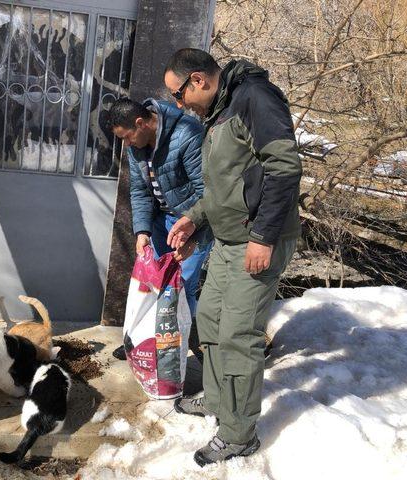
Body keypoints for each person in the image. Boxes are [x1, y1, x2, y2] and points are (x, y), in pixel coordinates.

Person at [163, 49, 301, 466]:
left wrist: (263, 236)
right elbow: (226, 187)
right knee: (211, 323)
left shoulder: (255, 99)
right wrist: (193, 219)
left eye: (178, 93)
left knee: (239, 334)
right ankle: (221, 399)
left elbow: (283, 169)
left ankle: (239, 434)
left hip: (256, 240)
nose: (178, 103)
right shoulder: (219, 112)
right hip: (228, 239)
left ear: (199, 80)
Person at [106, 97, 213, 361]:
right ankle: (146, 341)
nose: (126, 144)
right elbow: (140, 191)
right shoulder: (137, 145)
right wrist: (141, 231)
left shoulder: (188, 134)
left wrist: (193, 235)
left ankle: (175, 350)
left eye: (127, 137)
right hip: (161, 222)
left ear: (141, 123)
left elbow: (209, 193)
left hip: (193, 223)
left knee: (182, 287)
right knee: (154, 284)